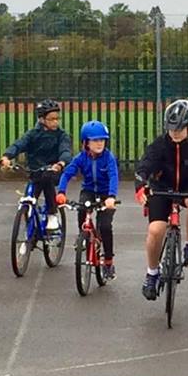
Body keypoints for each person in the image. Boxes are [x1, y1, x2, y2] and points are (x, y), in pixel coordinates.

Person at [134, 99, 188, 300]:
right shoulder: (159, 145)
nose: (175, 133)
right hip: (161, 188)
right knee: (156, 230)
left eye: (180, 128)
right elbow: (145, 165)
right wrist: (141, 185)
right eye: (171, 129)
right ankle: (152, 274)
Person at [56, 120, 120, 279]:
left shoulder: (108, 157)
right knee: (81, 210)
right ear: (86, 142)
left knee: (105, 226)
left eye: (102, 140)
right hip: (89, 191)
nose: (99, 143)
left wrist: (111, 196)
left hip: (106, 194)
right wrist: (61, 192)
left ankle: (108, 262)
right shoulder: (81, 158)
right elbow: (67, 174)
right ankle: (83, 234)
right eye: (95, 140)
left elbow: (113, 176)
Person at [0, 99, 73, 230]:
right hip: (35, 172)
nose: (55, 122)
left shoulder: (61, 136)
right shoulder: (33, 134)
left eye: (57, 118)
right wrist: (7, 156)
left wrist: (60, 163)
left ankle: (52, 214)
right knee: (29, 199)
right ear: (41, 119)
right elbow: (19, 144)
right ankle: (30, 237)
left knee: (47, 179)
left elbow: (65, 150)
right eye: (51, 119)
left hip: (53, 171)